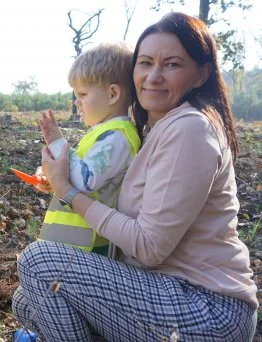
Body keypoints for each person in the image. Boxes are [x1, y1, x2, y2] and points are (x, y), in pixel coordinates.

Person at [13, 12, 258, 342]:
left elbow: (148, 246)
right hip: (166, 291)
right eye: (145, 63)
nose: (153, 76)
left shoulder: (190, 128)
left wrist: (67, 191)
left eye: (171, 64)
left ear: (200, 74)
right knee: (27, 301)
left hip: (206, 308)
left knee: (39, 263)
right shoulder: (155, 128)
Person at [35, 42, 140, 257]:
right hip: (72, 246)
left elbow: (86, 180)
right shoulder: (105, 134)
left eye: (83, 94)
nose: (77, 102)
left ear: (113, 94)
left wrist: (57, 142)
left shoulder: (118, 136)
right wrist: (52, 178)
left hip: (89, 249)